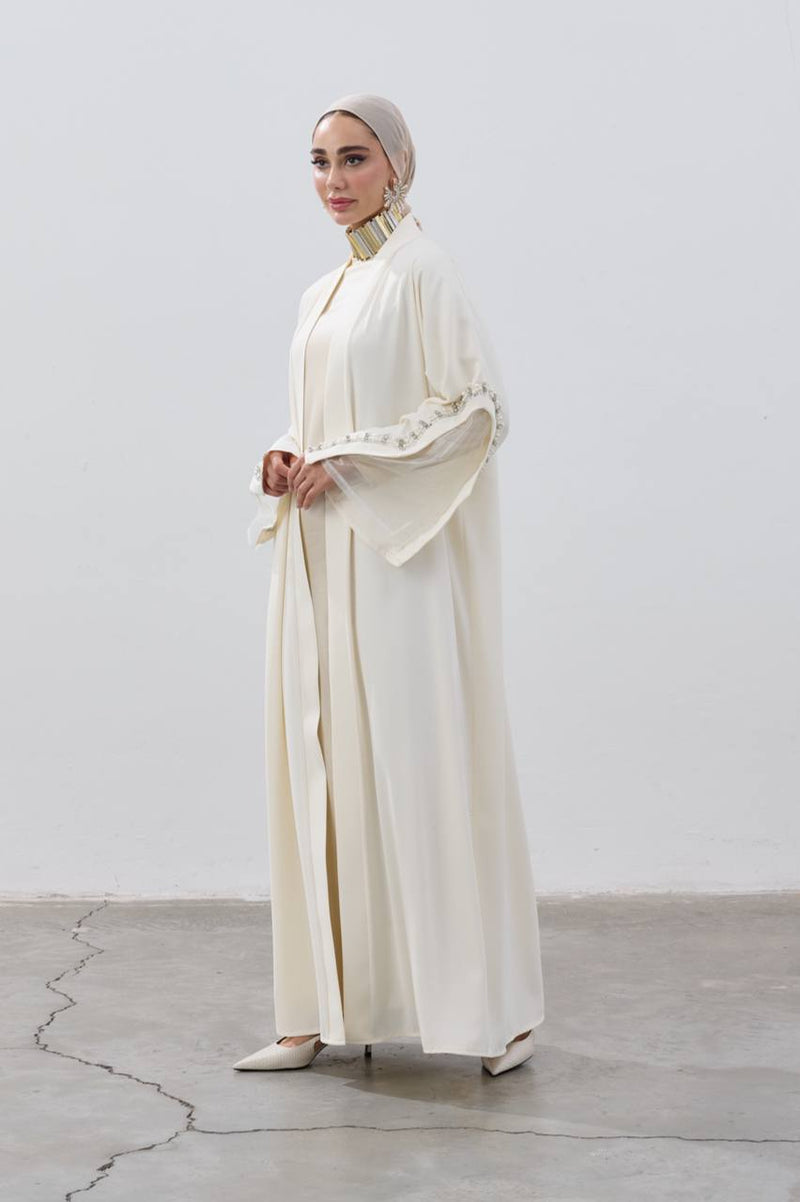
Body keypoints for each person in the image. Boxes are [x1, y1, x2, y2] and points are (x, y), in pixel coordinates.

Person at [235, 93, 544, 1078]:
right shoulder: (324, 291)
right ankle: (314, 1010)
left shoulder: (424, 270)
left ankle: (495, 1014)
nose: (334, 180)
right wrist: (287, 454)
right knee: (321, 765)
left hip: (397, 563)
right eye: (319, 161)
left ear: (398, 164)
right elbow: (317, 413)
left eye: (354, 158)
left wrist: (355, 463)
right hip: (320, 560)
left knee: (423, 763)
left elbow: (476, 409)